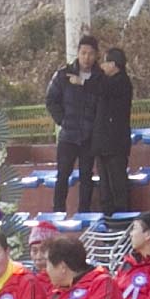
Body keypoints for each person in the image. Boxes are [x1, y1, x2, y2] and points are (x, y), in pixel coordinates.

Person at [46, 35, 106, 214]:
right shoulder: (64, 75)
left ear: (96, 56)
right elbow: (51, 99)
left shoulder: (100, 77)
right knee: (63, 175)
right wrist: (62, 120)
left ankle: (84, 212)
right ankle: (58, 211)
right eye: (83, 53)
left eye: (91, 54)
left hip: (90, 135)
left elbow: (103, 102)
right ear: (78, 53)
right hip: (68, 135)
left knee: (86, 176)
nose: (86, 57)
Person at [92, 42, 137, 211]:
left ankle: (121, 219)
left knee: (117, 185)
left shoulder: (121, 83)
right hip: (103, 143)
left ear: (113, 64)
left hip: (115, 143)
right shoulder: (109, 83)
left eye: (105, 62)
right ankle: (109, 218)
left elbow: (100, 87)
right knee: (105, 187)